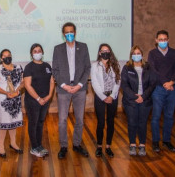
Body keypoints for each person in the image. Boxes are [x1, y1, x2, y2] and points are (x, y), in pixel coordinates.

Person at [52, 22, 91, 158]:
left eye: (71, 31)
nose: (69, 34)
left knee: (79, 119)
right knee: (62, 119)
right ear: (63, 34)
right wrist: (64, 85)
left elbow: (87, 68)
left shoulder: (83, 47)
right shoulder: (57, 49)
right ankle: (63, 146)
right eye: (67, 32)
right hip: (64, 90)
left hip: (80, 89)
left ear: (75, 32)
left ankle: (76, 144)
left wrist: (80, 84)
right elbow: (55, 70)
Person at [148, 30, 175, 153]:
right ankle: (156, 141)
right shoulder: (152, 54)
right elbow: (153, 70)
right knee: (156, 116)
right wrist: (165, 83)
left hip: (172, 89)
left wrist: (171, 82)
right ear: (156, 40)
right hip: (158, 89)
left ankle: (167, 141)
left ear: (168, 39)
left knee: (169, 116)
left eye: (165, 39)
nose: (163, 41)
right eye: (160, 39)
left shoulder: (174, 53)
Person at [121, 46, 156, 156]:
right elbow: (124, 85)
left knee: (142, 123)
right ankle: (132, 144)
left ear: (142, 54)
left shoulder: (148, 67)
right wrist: (135, 96)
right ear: (131, 55)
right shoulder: (127, 68)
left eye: (138, 53)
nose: (137, 55)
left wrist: (143, 96)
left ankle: (142, 145)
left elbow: (152, 84)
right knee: (132, 123)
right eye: (134, 53)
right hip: (130, 101)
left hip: (145, 101)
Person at [0, 49, 24, 158]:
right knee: (3, 124)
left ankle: (13, 143)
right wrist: (7, 93)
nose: (7, 57)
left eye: (9, 55)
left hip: (15, 99)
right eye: (4, 56)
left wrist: (17, 91)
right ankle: (1, 146)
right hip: (3, 100)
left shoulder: (18, 67)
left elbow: (23, 82)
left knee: (13, 122)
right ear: (1, 58)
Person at [23, 43, 54, 157]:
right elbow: (27, 85)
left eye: (39, 50)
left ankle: (39, 145)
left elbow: (51, 81)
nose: (37, 53)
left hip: (45, 100)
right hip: (33, 101)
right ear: (31, 54)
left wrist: (49, 95)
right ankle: (34, 147)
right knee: (33, 123)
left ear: (43, 52)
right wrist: (38, 98)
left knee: (41, 123)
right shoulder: (29, 67)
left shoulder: (47, 66)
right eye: (35, 51)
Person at [90, 43, 120, 157]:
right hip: (100, 97)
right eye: (103, 51)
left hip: (113, 97)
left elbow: (118, 81)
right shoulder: (94, 65)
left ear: (110, 52)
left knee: (111, 122)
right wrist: (103, 97)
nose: (105, 52)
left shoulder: (115, 64)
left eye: (107, 50)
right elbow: (94, 83)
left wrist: (112, 96)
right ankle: (99, 146)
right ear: (99, 53)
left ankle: (108, 146)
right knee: (101, 122)